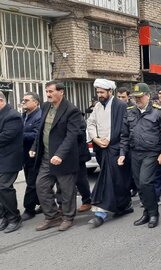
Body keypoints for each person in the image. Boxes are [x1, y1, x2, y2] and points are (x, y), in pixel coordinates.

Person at [31, 81, 84, 232]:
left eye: (51, 91)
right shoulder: (46, 106)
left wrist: (60, 154)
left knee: (67, 190)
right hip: (47, 158)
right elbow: (42, 130)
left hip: (64, 158)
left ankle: (68, 217)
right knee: (41, 186)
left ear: (61, 92)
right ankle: (52, 216)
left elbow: (71, 136)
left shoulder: (71, 110)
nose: (48, 94)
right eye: (46, 91)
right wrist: (34, 147)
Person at [86, 79, 133, 228]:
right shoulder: (98, 107)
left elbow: (125, 129)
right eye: (97, 92)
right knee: (114, 180)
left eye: (102, 92)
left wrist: (113, 143)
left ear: (110, 92)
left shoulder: (120, 106)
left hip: (117, 148)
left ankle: (100, 213)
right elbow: (91, 123)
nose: (99, 95)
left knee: (112, 179)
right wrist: (96, 139)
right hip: (102, 149)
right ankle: (123, 206)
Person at [118, 83, 161, 229]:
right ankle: (146, 212)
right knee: (139, 185)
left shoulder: (158, 111)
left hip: (151, 152)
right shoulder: (130, 112)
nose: (137, 100)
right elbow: (124, 135)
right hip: (135, 153)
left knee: (145, 182)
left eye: (140, 97)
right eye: (135, 97)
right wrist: (122, 153)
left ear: (148, 96)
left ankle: (154, 214)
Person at [0, 92, 23, 233]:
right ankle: (5, 217)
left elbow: (6, 136)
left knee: (4, 187)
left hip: (9, 159)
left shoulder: (12, 115)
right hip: (2, 158)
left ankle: (14, 218)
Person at [20, 92, 42, 221]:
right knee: (31, 181)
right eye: (23, 100)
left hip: (35, 154)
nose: (23, 102)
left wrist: (19, 135)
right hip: (25, 155)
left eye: (26, 100)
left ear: (36, 102)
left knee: (32, 183)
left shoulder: (39, 116)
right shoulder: (24, 116)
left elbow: (37, 135)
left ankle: (29, 209)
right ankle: (44, 204)